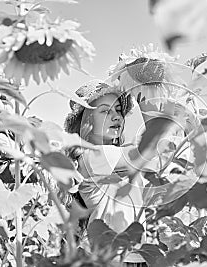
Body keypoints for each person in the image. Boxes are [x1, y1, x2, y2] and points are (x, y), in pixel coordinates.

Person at [64, 79, 149, 266]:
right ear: (86, 120)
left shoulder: (115, 157)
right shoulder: (91, 156)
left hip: (130, 256)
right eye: (105, 111)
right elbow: (149, 153)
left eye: (118, 110)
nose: (117, 117)